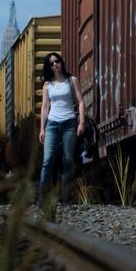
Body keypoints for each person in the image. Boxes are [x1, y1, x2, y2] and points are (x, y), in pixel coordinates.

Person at [38, 52, 85, 200]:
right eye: (51, 63)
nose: (55, 65)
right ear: (49, 67)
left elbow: (81, 102)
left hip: (69, 124)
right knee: (47, 160)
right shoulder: (47, 85)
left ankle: (66, 198)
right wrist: (42, 128)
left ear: (61, 62)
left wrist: (81, 122)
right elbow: (45, 107)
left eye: (56, 61)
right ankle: (42, 197)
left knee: (69, 159)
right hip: (52, 124)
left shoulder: (72, 80)